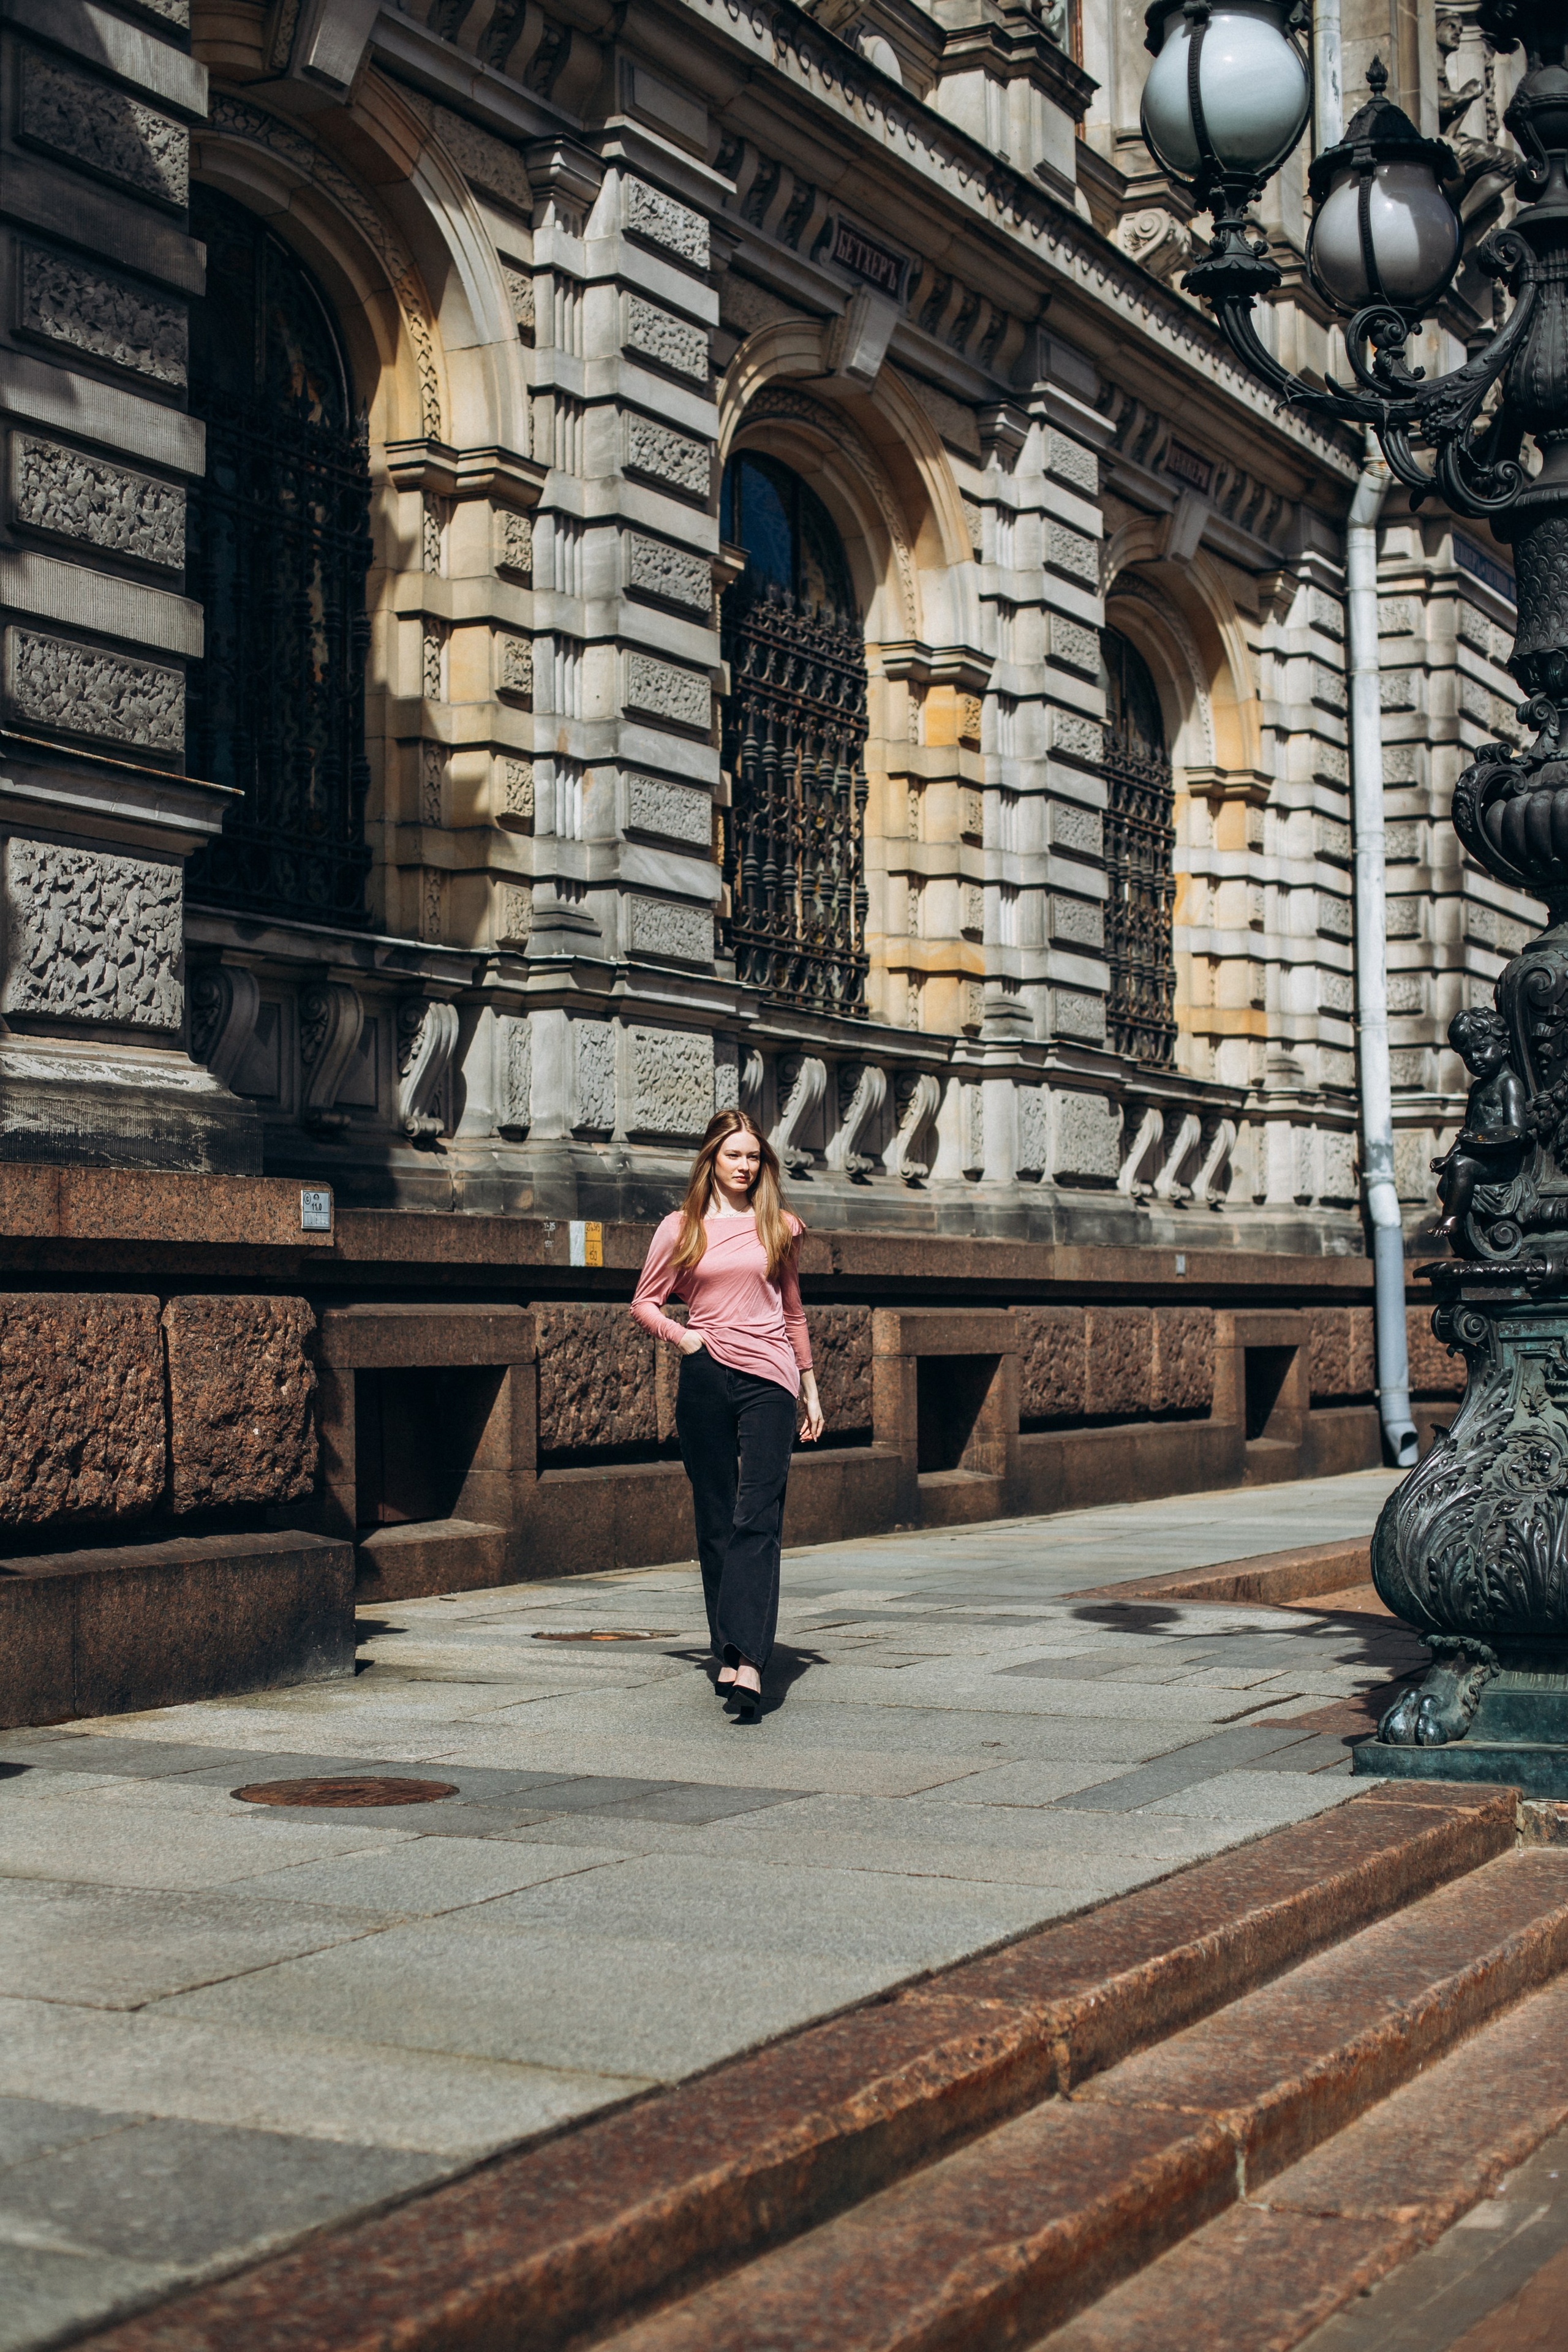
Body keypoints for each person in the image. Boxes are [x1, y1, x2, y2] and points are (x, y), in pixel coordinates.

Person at [630, 1110, 823, 1719]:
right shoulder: (680, 1228)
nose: (745, 1166)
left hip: (769, 1379)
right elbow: (644, 1302)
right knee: (715, 1516)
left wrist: (810, 1389)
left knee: (756, 1515)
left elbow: (792, 1313)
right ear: (712, 1159)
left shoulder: (780, 1226)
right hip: (706, 1375)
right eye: (734, 1155)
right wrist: (682, 1338)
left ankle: (749, 1662)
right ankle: (726, 1644)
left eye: (754, 1157)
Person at [1431, 1006, 1527, 1240]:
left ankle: (1452, 1218)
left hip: (1503, 1162)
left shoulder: (1510, 1084)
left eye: (1481, 1049)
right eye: (1466, 1055)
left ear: (1503, 1048)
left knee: (1463, 1167)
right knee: (1445, 1185)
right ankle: (1468, 1227)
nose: (1474, 1059)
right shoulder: (1476, 1089)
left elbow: (1516, 1131)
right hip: (1479, 1158)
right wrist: (1449, 1157)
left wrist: (1480, 1141)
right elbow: (1467, 1132)